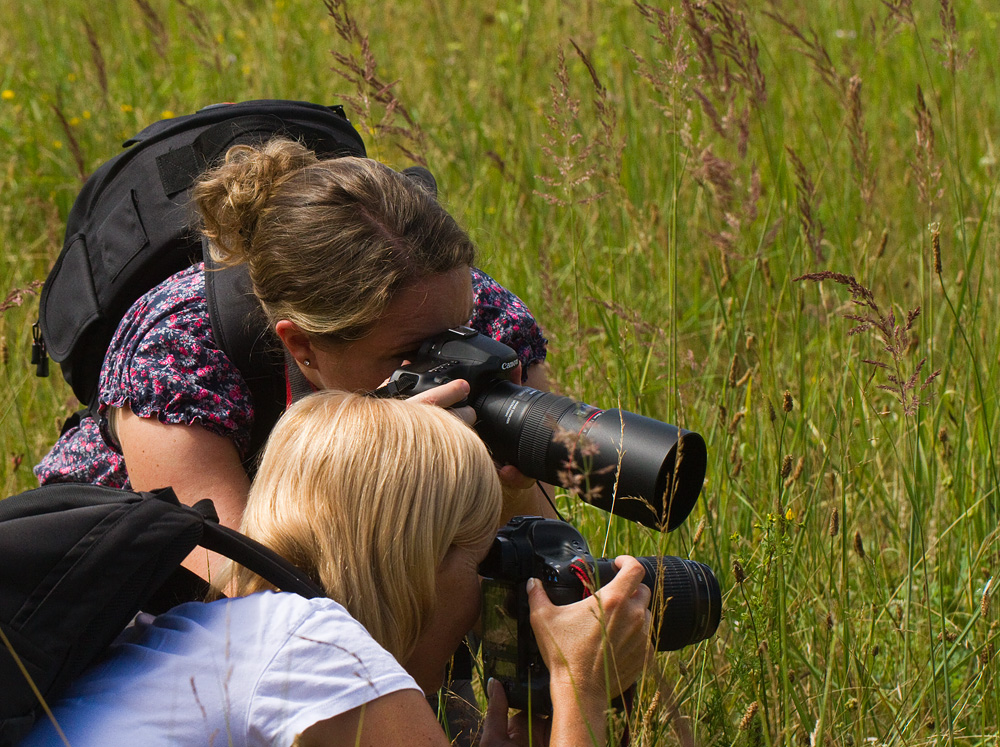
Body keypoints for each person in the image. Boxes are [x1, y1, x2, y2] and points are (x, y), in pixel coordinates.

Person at [34, 139, 555, 575]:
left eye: (459, 330)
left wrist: (512, 483)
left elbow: (542, 543)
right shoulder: (177, 354)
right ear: (302, 344)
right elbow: (248, 595)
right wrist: (381, 460)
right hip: (131, 583)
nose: (456, 357)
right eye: (412, 353)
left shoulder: (475, 311)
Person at [22, 392, 652, 747]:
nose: (486, 592)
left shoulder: (186, 633)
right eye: (481, 559)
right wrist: (579, 691)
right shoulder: (320, 652)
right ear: (418, 560)